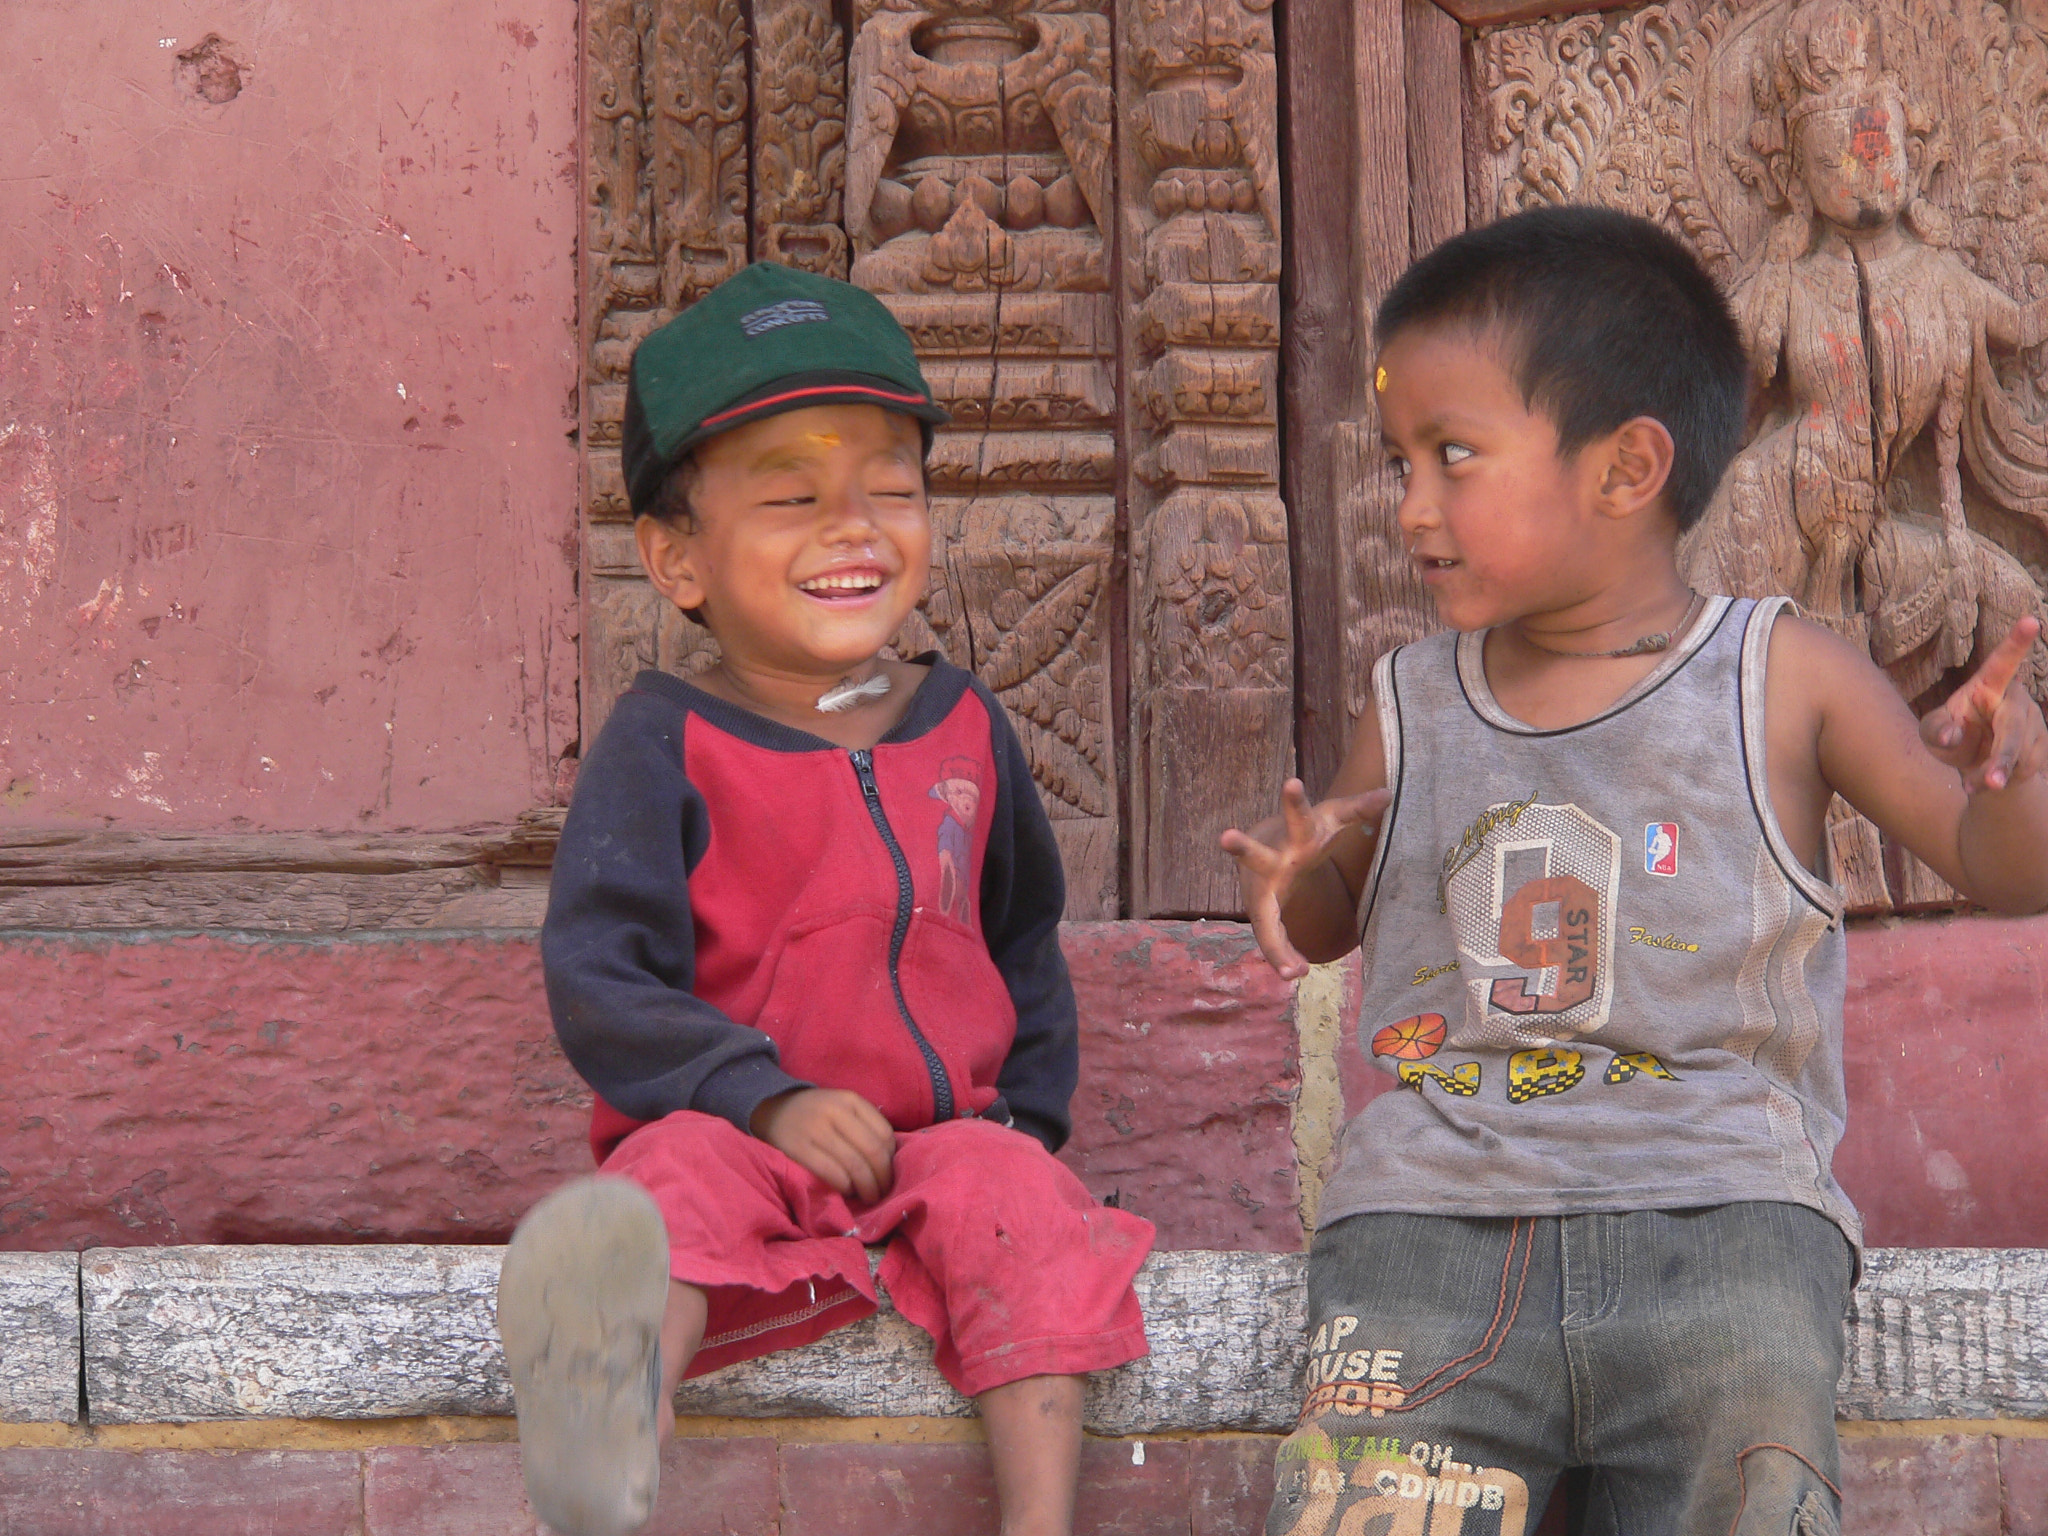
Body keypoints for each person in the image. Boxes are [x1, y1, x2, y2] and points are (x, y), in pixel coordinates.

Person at [1223, 205, 2048, 1534]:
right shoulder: (1410, 701)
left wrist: (2014, 783)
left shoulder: (1783, 681)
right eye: (1400, 462)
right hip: (1427, 1229)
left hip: (1723, 1231)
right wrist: (1292, 883)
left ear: (1625, 471)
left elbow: (1999, 864)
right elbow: (1326, 924)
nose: (1411, 507)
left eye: (1452, 457)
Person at [497, 261, 1153, 1536]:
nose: (853, 526)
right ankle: (610, 1438)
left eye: (891, 491)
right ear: (675, 559)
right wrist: (762, 1094)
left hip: (942, 1136)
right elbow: (600, 978)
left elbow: (1019, 940)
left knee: (1029, 1212)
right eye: (792, 497)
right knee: (658, 1193)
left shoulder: (965, 725)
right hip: (737, 1128)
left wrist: (1025, 1122)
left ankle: (1039, 1522)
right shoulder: (663, 741)